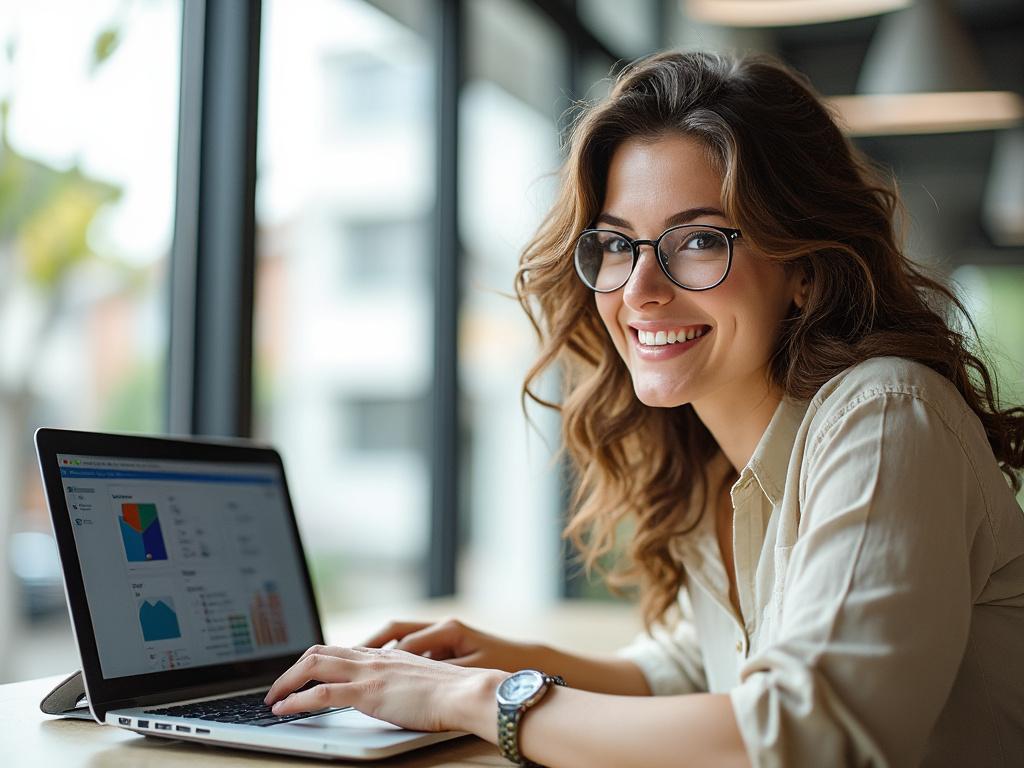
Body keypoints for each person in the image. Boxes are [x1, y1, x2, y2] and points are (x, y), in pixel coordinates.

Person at [263, 50, 1024, 767]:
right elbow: (697, 663)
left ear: (806, 270)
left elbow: (813, 731)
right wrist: (494, 656)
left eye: (696, 241)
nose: (639, 291)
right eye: (618, 244)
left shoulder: (886, 414)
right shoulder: (712, 455)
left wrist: (474, 698)